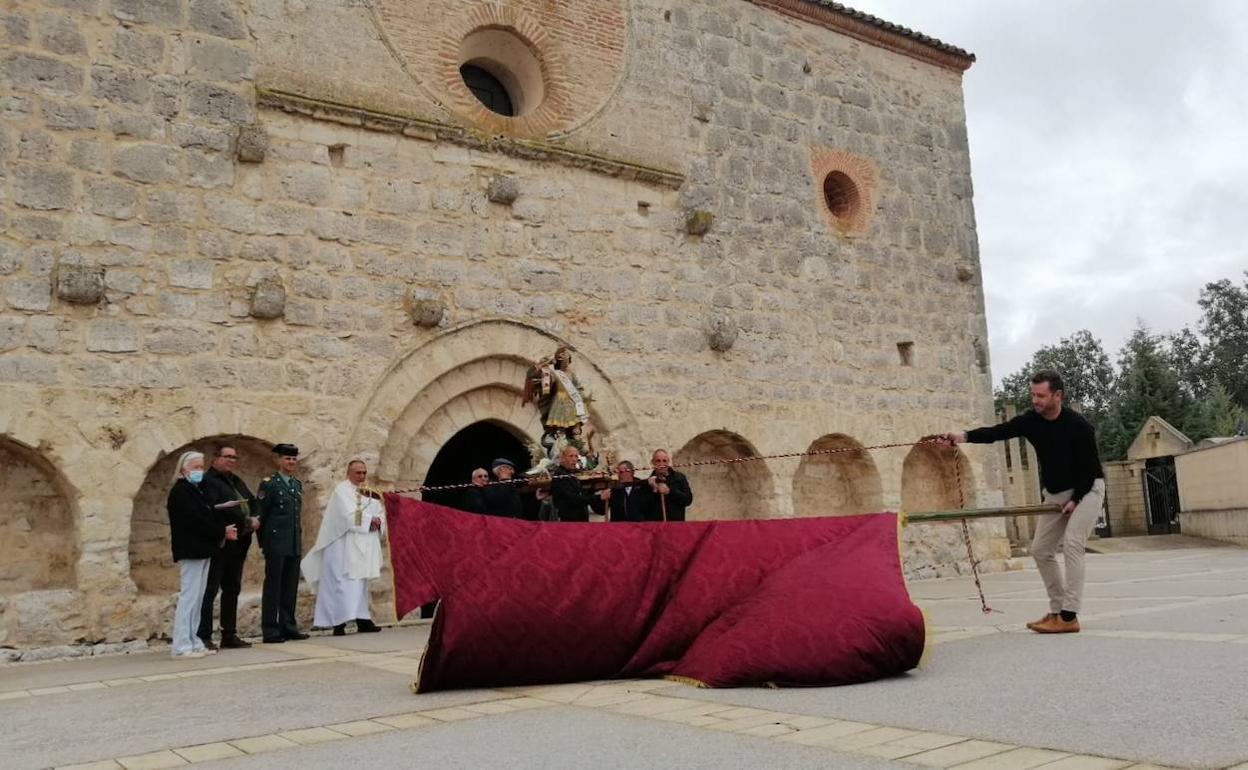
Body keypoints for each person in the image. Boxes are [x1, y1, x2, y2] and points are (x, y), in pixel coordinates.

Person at [937, 370, 1105, 634]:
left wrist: (1075, 500)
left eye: (1041, 395)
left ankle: (1069, 616)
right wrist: (964, 436)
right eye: (1033, 394)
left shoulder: (1079, 426)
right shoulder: (1031, 421)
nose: (1035, 400)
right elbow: (998, 432)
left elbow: (1091, 469)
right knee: (1040, 549)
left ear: (1057, 395)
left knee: (1073, 543)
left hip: (1087, 489)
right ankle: (1057, 611)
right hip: (1056, 491)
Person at [301, 460, 385, 636]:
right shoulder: (342, 491)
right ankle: (338, 622)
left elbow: (378, 510)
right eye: (358, 473)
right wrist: (370, 520)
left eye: (364, 473)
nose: (361, 476)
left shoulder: (366, 493)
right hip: (342, 546)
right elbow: (348, 516)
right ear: (349, 473)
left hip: (360, 544)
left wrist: (378, 521)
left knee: (359, 582)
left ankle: (362, 618)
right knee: (342, 583)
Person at [167, 451, 238, 659]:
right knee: (189, 596)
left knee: (198, 597)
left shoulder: (195, 490)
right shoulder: (181, 492)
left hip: (204, 548)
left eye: (201, 467)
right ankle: (181, 644)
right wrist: (221, 531)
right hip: (191, 549)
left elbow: (208, 514)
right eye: (195, 467)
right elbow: (195, 520)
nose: (199, 471)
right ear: (183, 469)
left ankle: (193, 639)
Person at [197, 444, 259, 650]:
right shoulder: (209, 481)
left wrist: (256, 516)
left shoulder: (235, 480)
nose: (231, 460)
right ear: (215, 459)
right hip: (220, 543)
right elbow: (219, 510)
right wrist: (246, 522)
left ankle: (229, 634)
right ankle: (203, 635)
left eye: (234, 457)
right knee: (211, 589)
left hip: (239, 543)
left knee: (232, 588)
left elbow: (251, 501)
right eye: (227, 457)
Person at [256, 443, 309, 643]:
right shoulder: (269, 484)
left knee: (290, 586)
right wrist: (265, 543)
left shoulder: (296, 485)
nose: (291, 462)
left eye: (294, 459)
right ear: (278, 460)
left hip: (293, 542)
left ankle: (288, 625)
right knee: (273, 587)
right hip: (275, 542)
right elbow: (262, 514)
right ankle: (270, 629)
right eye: (287, 459)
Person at [641, 449, 693, 522]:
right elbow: (642, 507)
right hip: (655, 527)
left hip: (676, 525)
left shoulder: (679, 478)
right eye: (658, 461)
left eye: (664, 461)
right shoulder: (647, 483)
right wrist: (653, 489)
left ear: (668, 462)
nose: (661, 464)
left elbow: (688, 500)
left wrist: (670, 491)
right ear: (652, 462)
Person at [549, 445, 599, 523]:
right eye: (571, 456)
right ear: (563, 458)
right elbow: (573, 498)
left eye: (576, 456)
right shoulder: (560, 476)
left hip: (580, 520)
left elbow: (580, 493)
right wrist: (599, 497)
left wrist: (593, 488)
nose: (574, 459)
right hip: (570, 523)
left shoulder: (570, 474)